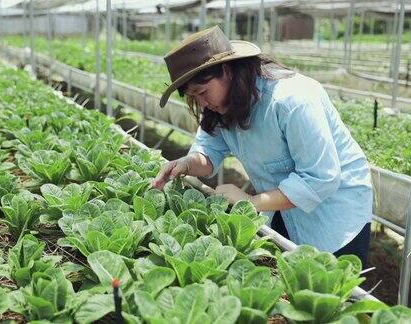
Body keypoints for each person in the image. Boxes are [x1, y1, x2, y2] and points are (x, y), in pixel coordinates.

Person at [152, 26, 372, 266]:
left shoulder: (291, 100)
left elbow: (320, 179)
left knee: (329, 294)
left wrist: (249, 202)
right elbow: (208, 152)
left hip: (332, 216)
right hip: (279, 206)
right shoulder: (220, 106)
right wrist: (185, 164)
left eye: (203, 92)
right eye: (194, 98)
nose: (202, 102)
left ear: (226, 70)